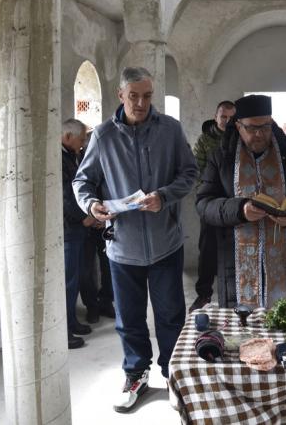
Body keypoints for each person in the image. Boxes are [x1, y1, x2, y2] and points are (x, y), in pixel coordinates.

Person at [73, 66, 198, 412]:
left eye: (147, 96)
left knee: (171, 315)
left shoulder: (170, 131)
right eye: (134, 96)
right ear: (121, 95)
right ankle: (136, 375)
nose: (141, 103)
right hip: (122, 248)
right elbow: (82, 182)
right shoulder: (102, 137)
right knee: (128, 318)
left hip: (165, 245)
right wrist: (92, 204)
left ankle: (173, 375)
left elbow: (190, 173)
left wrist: (165, 196)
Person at [196, 94, 286, 309]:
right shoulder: (221, 158)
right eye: (252, 128)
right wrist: (240, 209)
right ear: (238, 126)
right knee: (243, 333)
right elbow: (204, 204)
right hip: (236, 265)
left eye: (265, 126)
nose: (259, 134)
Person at [189, 100, 236, 312]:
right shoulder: (204, 141)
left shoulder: (239, 139)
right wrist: (207, 195)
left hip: (234, 205)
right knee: (207, 250)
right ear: (216, 117)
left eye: (230, 117)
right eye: (223, 116)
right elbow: (196, 171)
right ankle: (204, 294)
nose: (226, 121)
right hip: (210, 204)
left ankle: (235, 296)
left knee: (237, 249)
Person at [61, 118, 93, 349]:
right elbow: (65, 197)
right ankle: (64, 330)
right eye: (81, 139)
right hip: (70, 228)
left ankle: (72, 322)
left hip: (78, 227)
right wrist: (84, 217)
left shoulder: (72, 155)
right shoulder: (59, 159)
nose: (83, 144)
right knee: (68, 282)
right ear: (68, 137)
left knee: (79, 276)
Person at [79, 129, 115, 324]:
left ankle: (106, 301)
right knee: (86, 270)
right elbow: (77, 189)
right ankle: (91, 306)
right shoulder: (79, 159)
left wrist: (106, 217)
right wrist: (90, 215)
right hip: (85, 223)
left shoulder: (110, 158)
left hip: (106, 221)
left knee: (108, 266)